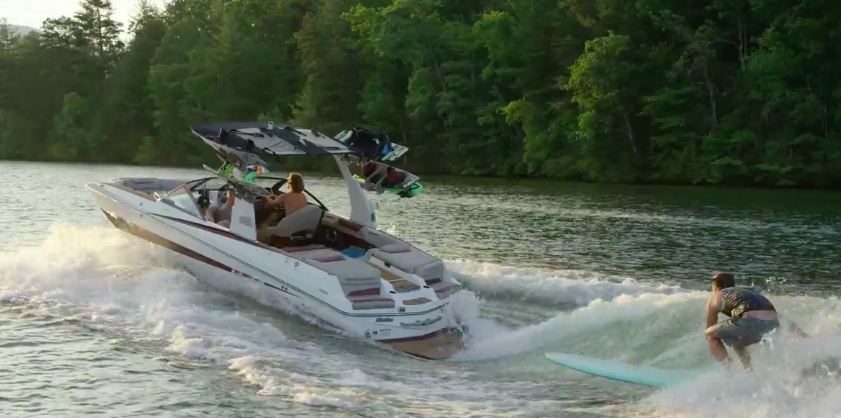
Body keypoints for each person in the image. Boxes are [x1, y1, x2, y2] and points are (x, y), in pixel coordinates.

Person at [704, 272, 781, 369]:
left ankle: (729, 368)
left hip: (751, 320)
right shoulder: (747, 290)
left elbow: (709, 327)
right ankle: (748, 370)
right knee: (738, 344)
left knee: (709, 333)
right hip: (773, 322)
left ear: (714, 285)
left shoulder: (717, 296)